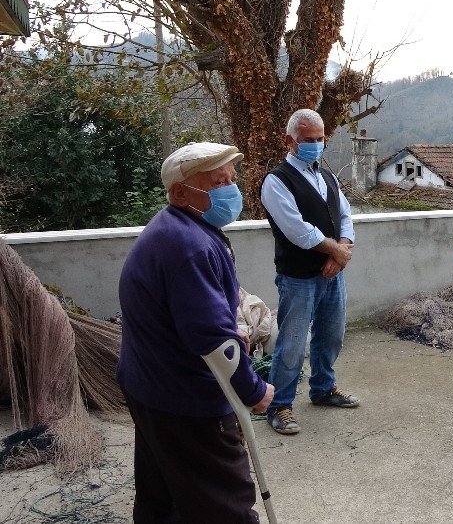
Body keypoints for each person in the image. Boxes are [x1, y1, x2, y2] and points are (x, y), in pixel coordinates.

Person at [117, 142, 275, 523]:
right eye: (218, 182)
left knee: (164, 491)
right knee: (223, 499)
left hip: (150, 387)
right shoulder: (189, 245)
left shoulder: (179, 228)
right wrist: (254, 391)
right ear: (180, 193)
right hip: (184, 396)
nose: (230, 190)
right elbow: (214, 339)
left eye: (231, 180)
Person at [260, 108, 358, 435]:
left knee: (331, 335)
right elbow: (297, 230)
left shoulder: (326, 176)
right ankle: (280, 405)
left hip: (332, 274)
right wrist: (336, 251)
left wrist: (341, 253)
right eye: (308, 140)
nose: (315, 145)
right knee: (291, 343)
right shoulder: (276, 181)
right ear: (290, 141)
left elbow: (345, 216)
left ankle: (323, 389)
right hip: (298, 277)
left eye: (320, 139)